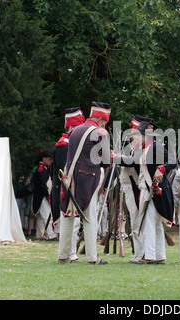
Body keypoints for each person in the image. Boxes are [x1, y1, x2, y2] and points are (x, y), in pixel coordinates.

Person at [58, 101, 111, 265]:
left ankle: (63, 255)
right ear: (102, 119)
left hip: (69, 177)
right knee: (90, 217)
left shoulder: (75, 131)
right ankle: (92, 257)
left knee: (68, 216)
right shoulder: (99, 132)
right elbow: (107, 161)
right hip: (88, 177)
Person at [134, 121, 176, 264]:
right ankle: (159, 256)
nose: (137, 138)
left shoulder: (156, 147)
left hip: (153, 190)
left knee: (150, 224)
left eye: (139, 135)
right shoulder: (145, 149)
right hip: (148, 189)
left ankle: (151, 256)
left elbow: (172, 161)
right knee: (154, 224)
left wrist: (161, 168)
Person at [114, 115, 155, 264]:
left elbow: (133, 161)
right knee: (135, 220)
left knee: (137, 221)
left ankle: (141, 253)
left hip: (135, 187)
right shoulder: (136, 147)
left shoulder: (140, 148)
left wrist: (115, 157)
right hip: (130, 188)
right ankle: (140, 252)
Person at [55, 107, 85, 262]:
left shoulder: (72, 144)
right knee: (69, 222)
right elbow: (62, 171)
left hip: (74, 186)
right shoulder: (64, 145)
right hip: (67, 188)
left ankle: (71, 252)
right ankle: (68, 253)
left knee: (75, 223)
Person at [32, 150, 57, 240]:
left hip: (41, 195)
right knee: (47, 215)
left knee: (41, 216)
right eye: (50, 159)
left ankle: (40, 234)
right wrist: (48, 196)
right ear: (44, 159)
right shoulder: (41, 169)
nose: (51, 161)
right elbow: (43, 185)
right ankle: (50, 234)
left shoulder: (43, 168)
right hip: (42, 196)